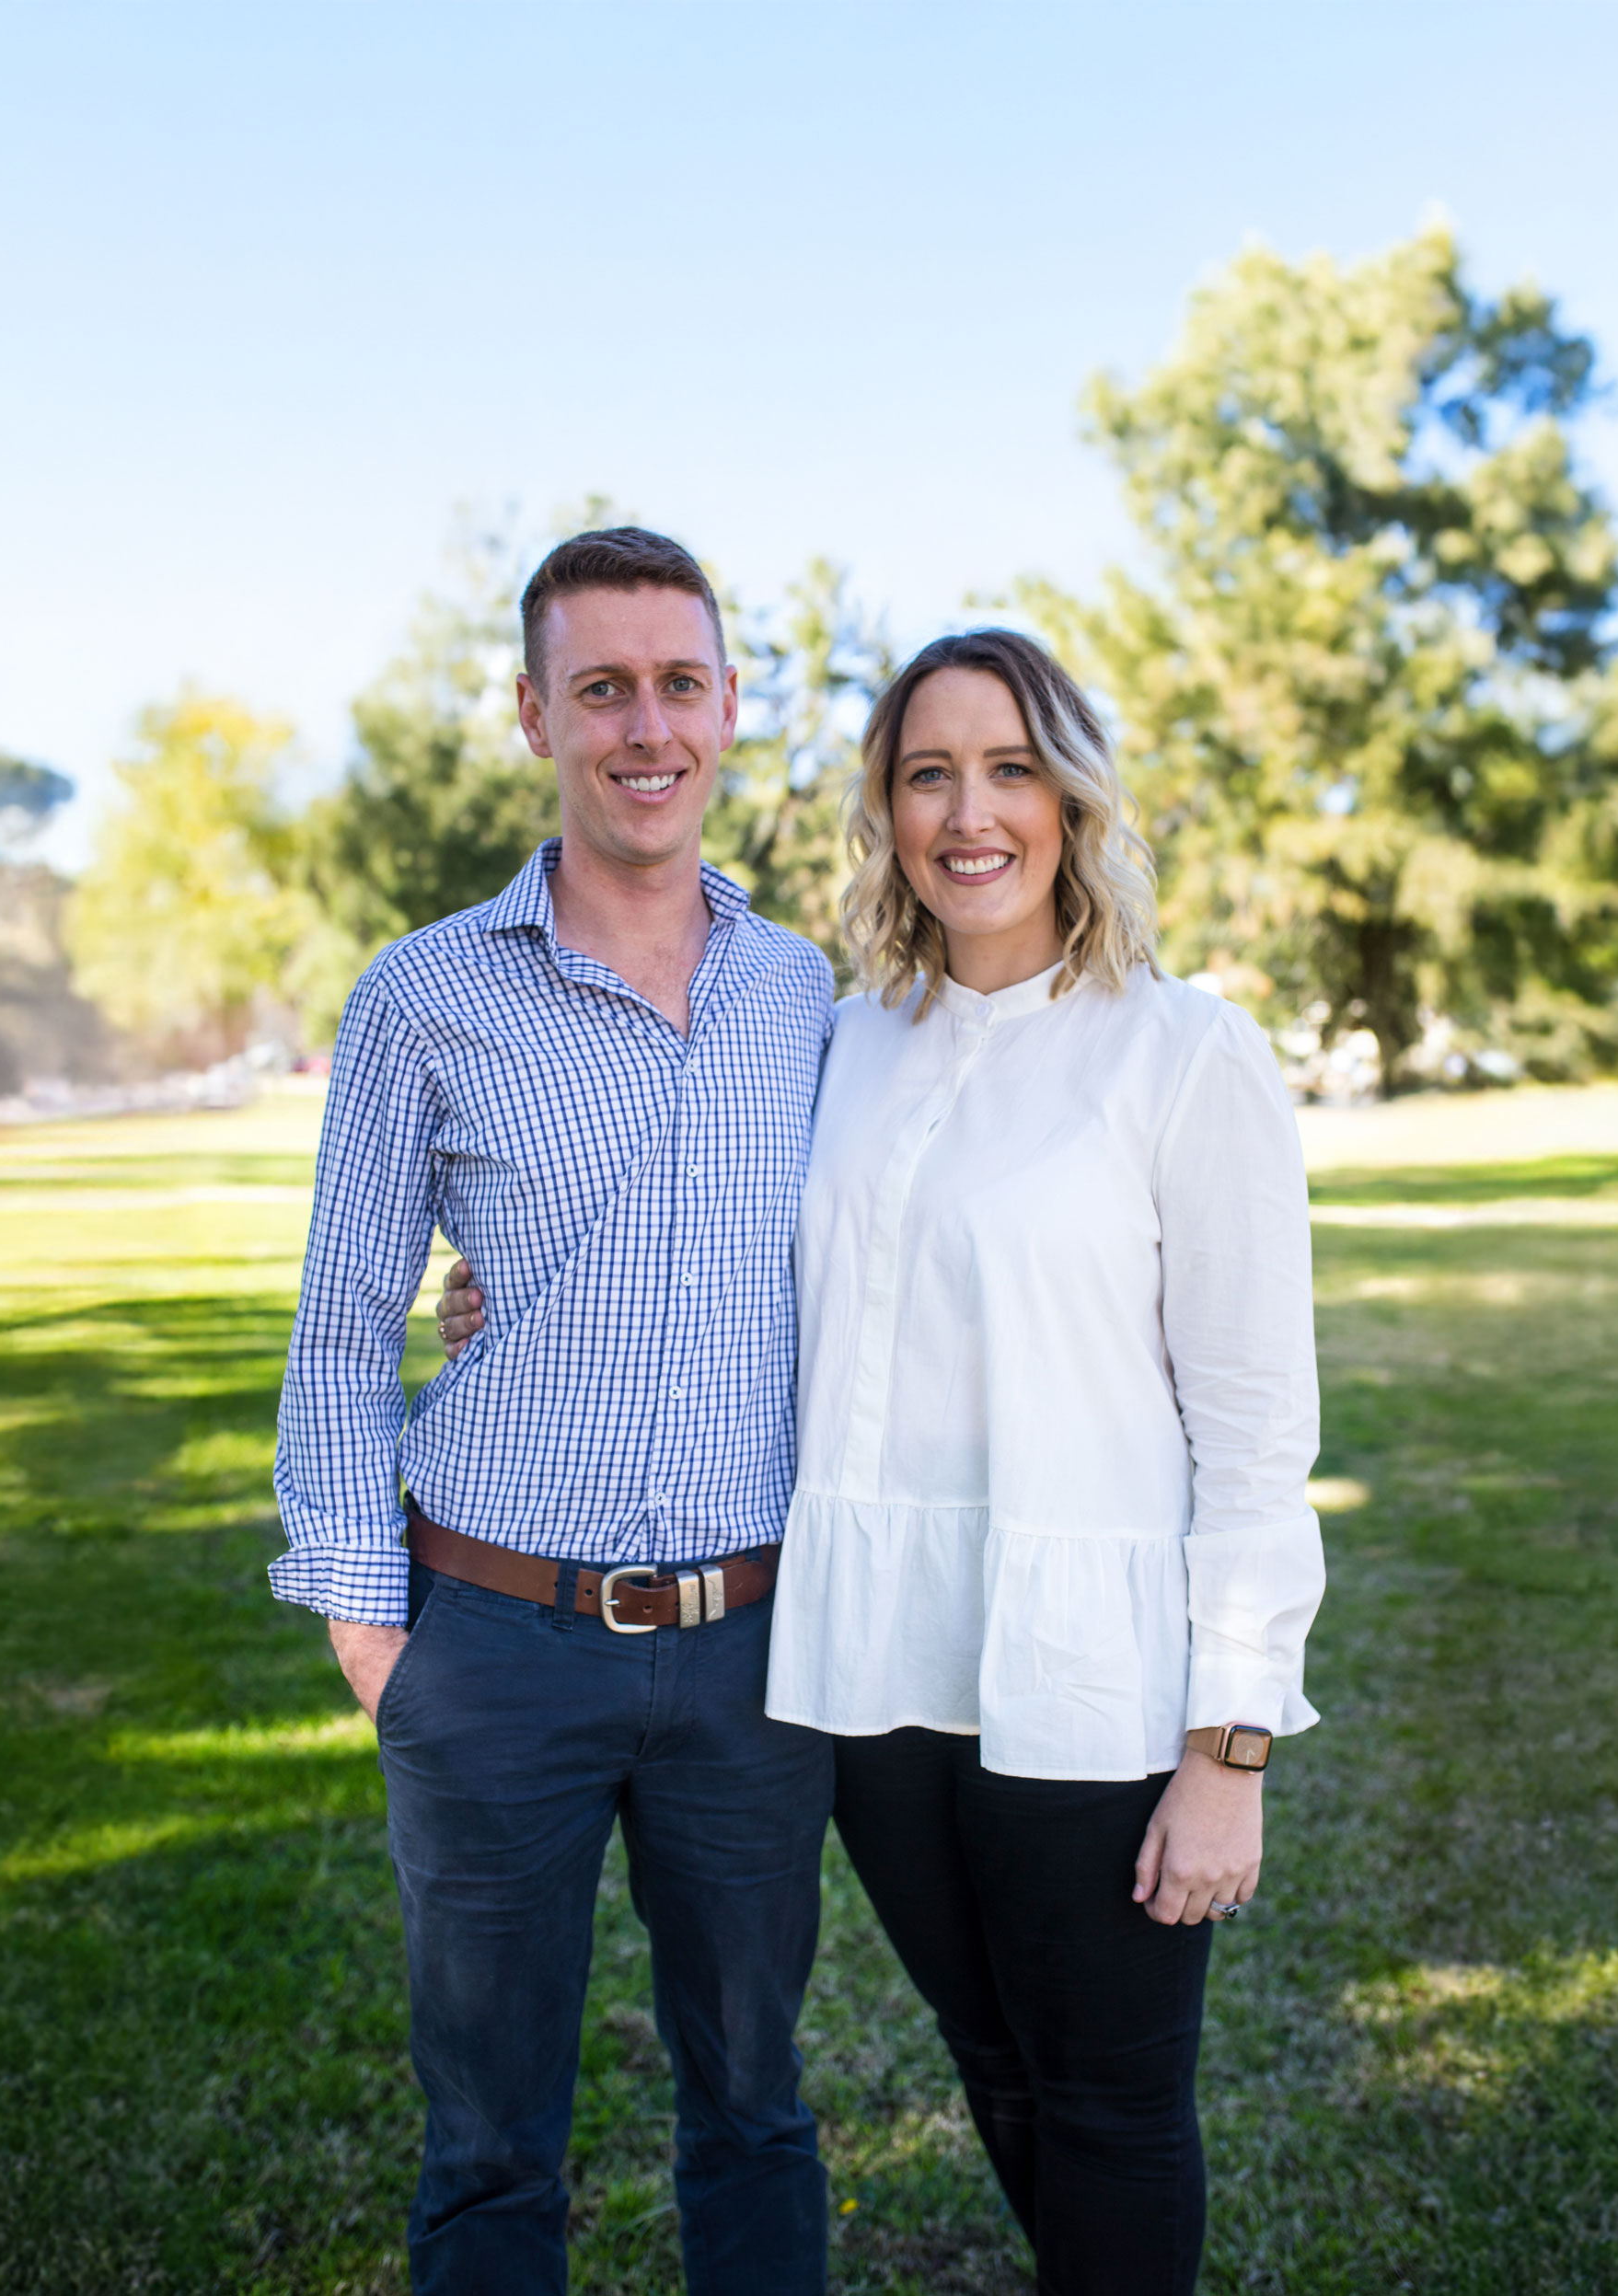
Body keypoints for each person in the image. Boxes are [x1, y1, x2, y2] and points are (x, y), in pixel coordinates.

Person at [433, 628, 1326, 2295]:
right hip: (875, 1671)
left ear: (1069, 796)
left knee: (1114, 2099)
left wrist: (1232, 1739)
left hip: (1087, 1669)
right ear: (888, 811)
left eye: (1007, 770)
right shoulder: (848, 1038)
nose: (968, 813)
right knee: (991, 2063)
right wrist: (522, 1284)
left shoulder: (1182, 1051)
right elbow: (705, 1239)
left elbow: (1262, 1430)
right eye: (929, 774)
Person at [272, 527, 837, 2296]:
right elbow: (347, 1316)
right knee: (490, 2151)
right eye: (601, 688)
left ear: (732, 710)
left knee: (755, 2110)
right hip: (497, 1643)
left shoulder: (808, 993)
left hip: (757, 1654)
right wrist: (379, 1635)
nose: (643, 726)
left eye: (679, 684)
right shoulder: (422, 994)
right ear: (535, 715)